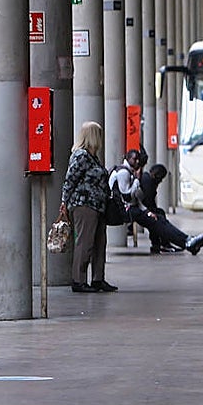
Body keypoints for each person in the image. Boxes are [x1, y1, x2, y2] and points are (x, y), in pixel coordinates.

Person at [111, 154, 203, 256]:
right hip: (125, 210)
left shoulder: (133, 173)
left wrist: (147, 211)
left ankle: (184, 242)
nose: (137, 162)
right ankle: (184, 242)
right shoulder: (124, 172)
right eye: (134, 159)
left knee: (156, 217)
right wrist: (136, 180)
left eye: (138, 159)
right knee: (156, 219)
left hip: (130, 208)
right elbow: (127, 196)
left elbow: (136, 200)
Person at [59, 121, 117, 293]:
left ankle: (98, 278)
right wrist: (64, 202)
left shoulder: (93, 157)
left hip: (98, 206)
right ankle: (78, 280)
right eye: (98, 134)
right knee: (85, 242)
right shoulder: (81, 156)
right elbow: (70, 180)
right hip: (84, 205)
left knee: (100, 242)